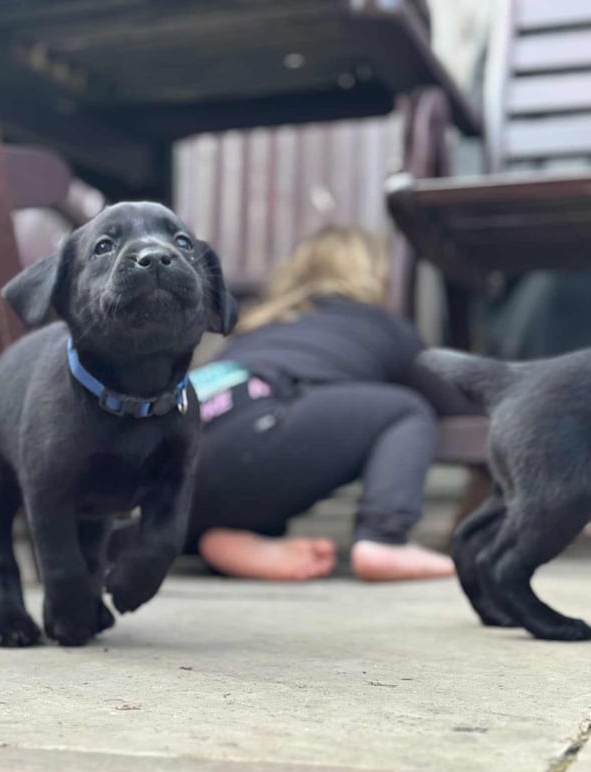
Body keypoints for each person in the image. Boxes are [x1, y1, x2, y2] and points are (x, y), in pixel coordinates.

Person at [185, 226, 468, 582]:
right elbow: (451, 403)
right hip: (258, 429)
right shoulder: (382, 325)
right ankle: (385, 538)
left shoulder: (258, 326)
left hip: (180, 451)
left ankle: (210, 536)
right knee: (406, 410)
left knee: (242, 471)